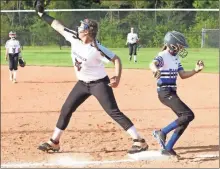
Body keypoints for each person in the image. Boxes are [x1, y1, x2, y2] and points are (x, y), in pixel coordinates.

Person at [34, 0, 148, 154]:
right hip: (82, 84)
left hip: (99, 83)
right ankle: (54, 142)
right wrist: (41, 13)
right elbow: (57, 25)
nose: (79, 28)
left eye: (82, 27)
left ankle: (139, 141)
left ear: (87, 32)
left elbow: (116, 59)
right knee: (67, 109)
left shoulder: (96, 48)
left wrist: (117, 77)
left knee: (113, 111)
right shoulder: (74, 37)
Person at [149, 31, 204, 157]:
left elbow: (183, 75)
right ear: (172, 44)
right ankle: (161, 132)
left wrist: (195, 70)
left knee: (184, 119)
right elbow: (152, 64)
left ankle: (168, 148)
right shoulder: (163, 55)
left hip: (172, 92)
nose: (182, 48)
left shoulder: (175, 57)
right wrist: (155, 70)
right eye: (180, 45)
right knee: (188, 114)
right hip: (164, 92)